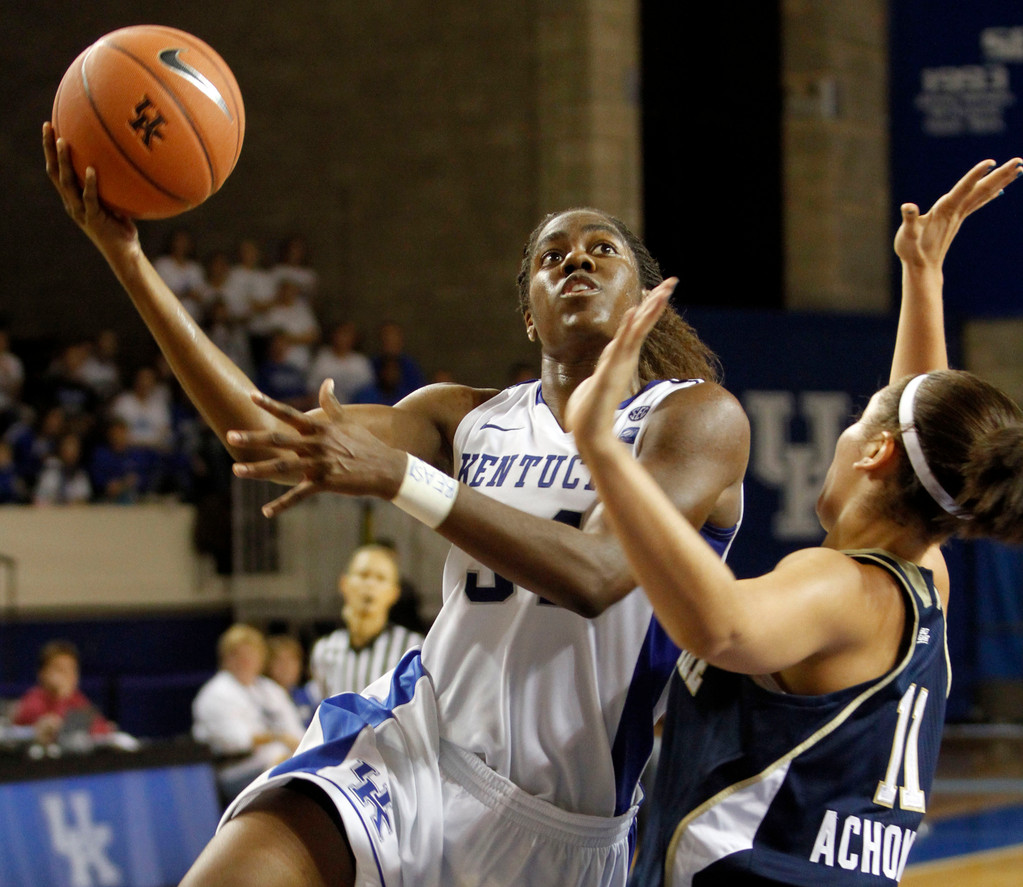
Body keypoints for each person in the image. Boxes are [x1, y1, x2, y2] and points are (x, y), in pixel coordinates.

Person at [44, 122, 748, 887]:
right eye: (550, 256)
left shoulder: (693, 419)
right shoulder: (465, 416)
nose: (574, 257)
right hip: (411, 748)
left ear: (643, 297)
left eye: (600, 249)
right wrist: (129, 259)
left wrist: (403, 480)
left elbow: (596, 573)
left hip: (568, 829)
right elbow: (264, 434)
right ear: (527, 316)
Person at [564, 158, 1023, 885]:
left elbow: (720, 626)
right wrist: (922, 274)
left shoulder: (838, 586)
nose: (841, 436)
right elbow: (917, 424)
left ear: (874, 453)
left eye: (854, 422)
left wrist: (604, 452)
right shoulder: (919, 577)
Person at [192, 624, 307, 804]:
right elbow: (238, 740)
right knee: (286, 771)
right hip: (236, 770)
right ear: (226, 659)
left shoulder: (269, 689)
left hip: (279, 760)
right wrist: (279, 738)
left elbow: (296, 732)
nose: (247, 660)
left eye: (252, 654)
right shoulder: (215, 693)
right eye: (239, 655)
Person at [308, 543, 425, 702]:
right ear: (344, 583)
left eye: (380, 578)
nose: (370, 584)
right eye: (363, 575)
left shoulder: (412, 648)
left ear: (394, 593)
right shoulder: (324, 650)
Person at [11, 639, 114, 745]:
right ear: (42, 674)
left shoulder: (77, 699)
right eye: (60, 669)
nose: (67, 675)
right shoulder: (33, 700)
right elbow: (50, 731)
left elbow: (99, 727)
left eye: (72, 669)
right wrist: (61, 699)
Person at [265, 634, 317, 727]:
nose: (286, 667)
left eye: (292, 661)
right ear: (268, 665)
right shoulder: (263, 697)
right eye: (280, 661)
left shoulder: (308, 695)